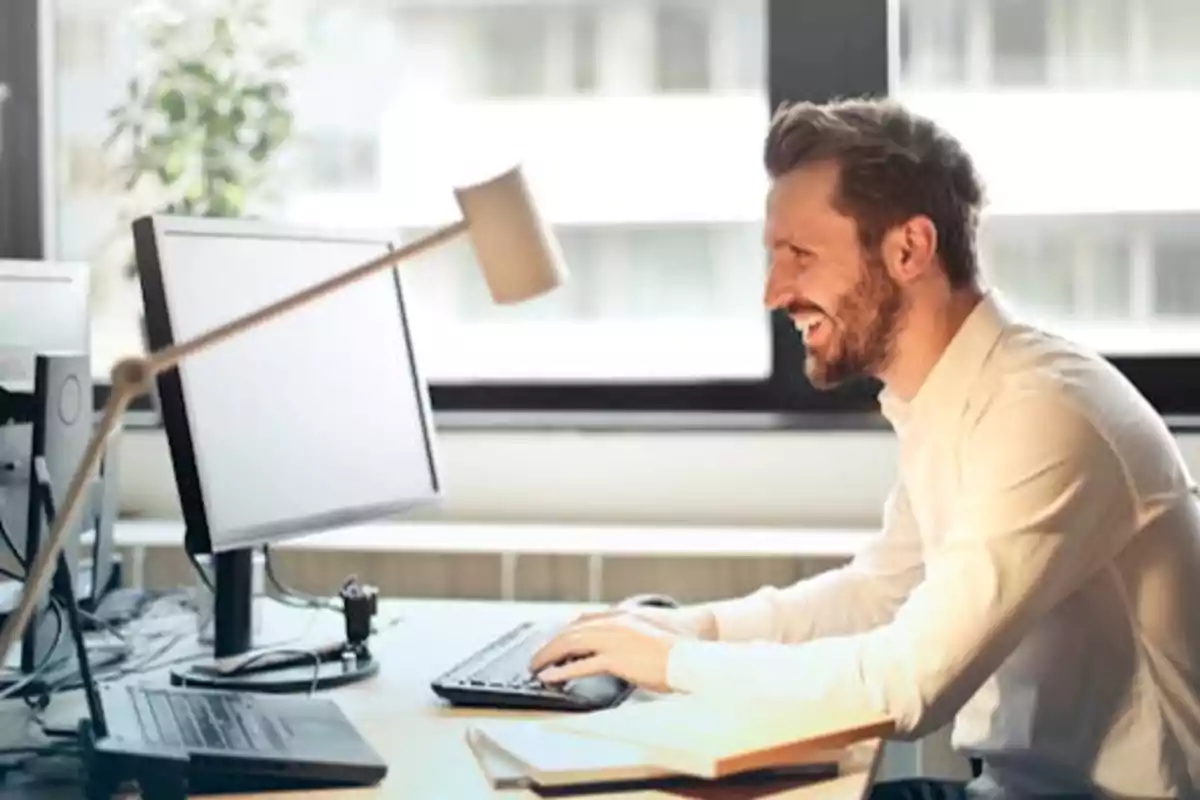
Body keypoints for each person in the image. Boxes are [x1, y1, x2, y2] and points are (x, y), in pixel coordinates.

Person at [529, 97, 1200, 799]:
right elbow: (879, 594)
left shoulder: (1046, 416)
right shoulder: (954, 401)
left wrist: (674, 662)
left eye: (801, 256)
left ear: (909, 248)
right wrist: (688, 629)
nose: (773, 292)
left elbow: (909, 684)